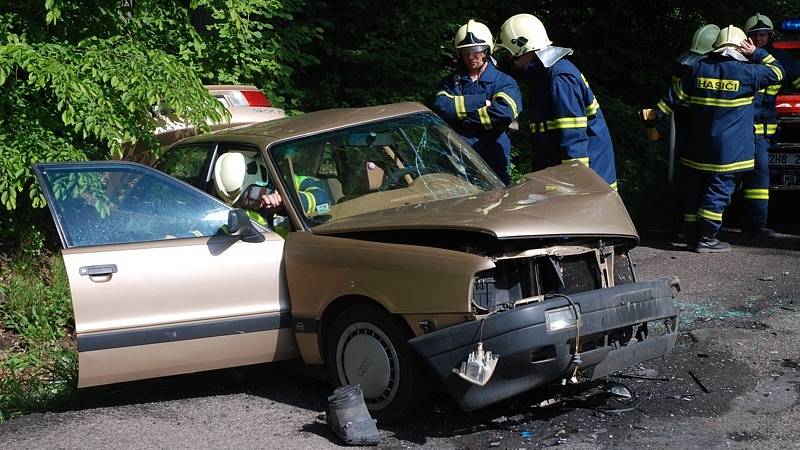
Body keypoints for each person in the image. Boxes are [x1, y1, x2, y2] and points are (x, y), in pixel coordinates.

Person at [645, 25, 783, 253]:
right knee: (718, 193)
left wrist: (652, 123)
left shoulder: (697, 68)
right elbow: (778, 72)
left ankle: (691, 237)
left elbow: (669, 101)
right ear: (741, 48)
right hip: (729, 152)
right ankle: (707, 239)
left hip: (697, 148)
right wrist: (756, 53)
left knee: (694, 190)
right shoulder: (748, 73)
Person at [495, 13, 618, 190]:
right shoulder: (544, 76)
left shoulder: (560, 78)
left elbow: (573, 140)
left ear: (522, 47)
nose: (509, 59)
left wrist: (578, 188)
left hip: (588, 185)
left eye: (509, 52)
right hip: (568, 179)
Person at [433, 19, 523, 184]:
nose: (470, 57)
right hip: (455, 162)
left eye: (476, 50)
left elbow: (503, 114)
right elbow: (442, 109)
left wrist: (459, 120)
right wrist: (482, 101)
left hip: (492, 163)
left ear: (486, 51)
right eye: (465, 51)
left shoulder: (504, 82)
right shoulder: (449, 83)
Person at [740, 13, 800, 236]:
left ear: (770, 35)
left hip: (765, 130)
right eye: (755, 35)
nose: (759, 39)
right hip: (742, 128)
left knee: (759, 176)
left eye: (763, 34)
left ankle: (755, 223)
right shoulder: (737, 58)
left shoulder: (784, 60)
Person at [213, 152, 331, 234]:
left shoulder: (296, 182)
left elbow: (324, 200)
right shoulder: (243, 215)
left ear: (261, 177)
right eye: (241, 201)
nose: (249, 204)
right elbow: (223, 233)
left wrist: (285, 203)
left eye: (250, 195)